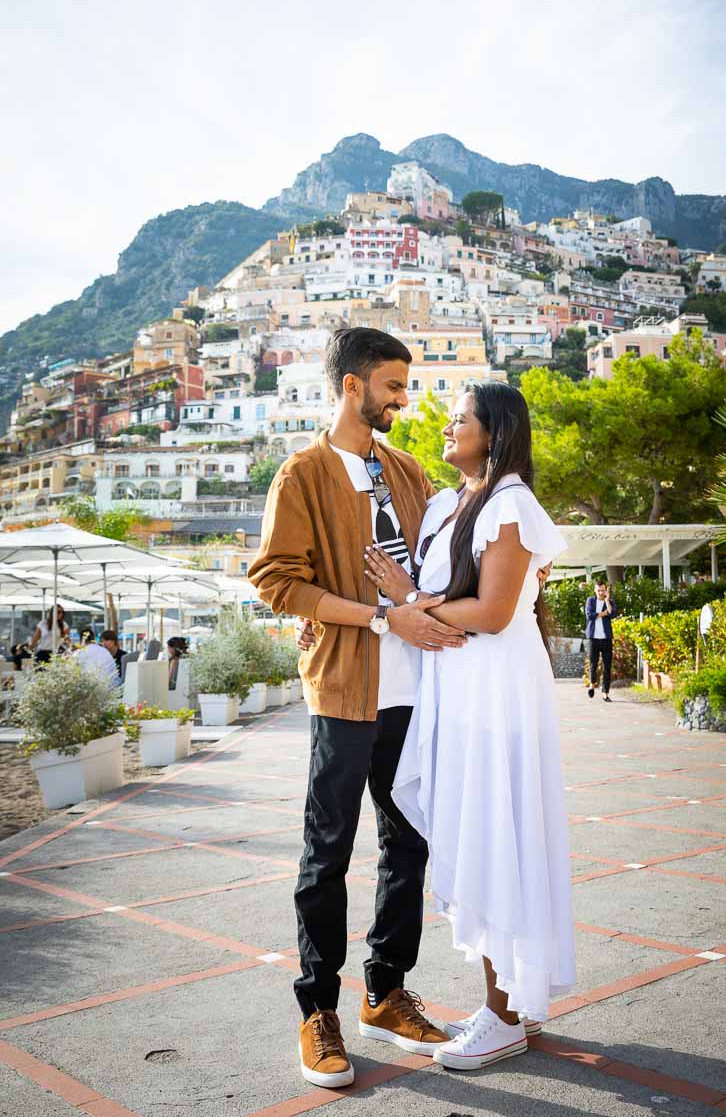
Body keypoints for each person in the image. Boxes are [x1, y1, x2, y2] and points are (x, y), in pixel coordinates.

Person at [249, 328, 463, 1089]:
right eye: (393, 386)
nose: (404, 400)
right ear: (351, 386)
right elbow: (276, 577)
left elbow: (444, 558)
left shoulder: (408, 470)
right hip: (345, 689)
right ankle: (318, 1011)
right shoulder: (302, 474)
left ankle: (385, 991)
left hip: (416, 692)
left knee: (407, 845)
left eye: (405, 387)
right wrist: (377, 618)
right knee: (328, 850)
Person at [362, 382, 576, 1070]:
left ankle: (505, 1014)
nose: (448, 428)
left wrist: (412, 601)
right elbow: (441, 603)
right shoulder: (447, 505)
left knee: (497, 837)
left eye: (462, 420)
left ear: (496, 432)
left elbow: (491, 612)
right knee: (483, 835)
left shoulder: (512, 506)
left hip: (496, 694)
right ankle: (513, 999)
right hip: (458, 691)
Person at [585, 580, 617, 701]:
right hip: (593, 638)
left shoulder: (610, 602)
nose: (600, 592)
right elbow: (590, 616)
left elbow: (612, 613)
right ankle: (592, 684)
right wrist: (604, 613)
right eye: (598, 590)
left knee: (607, 667)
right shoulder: (590, 601)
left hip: (606, 639)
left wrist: (607, 601)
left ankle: (605, 693)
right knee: (593, 664)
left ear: (605, 591)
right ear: (595, 590)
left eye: (602, 590)